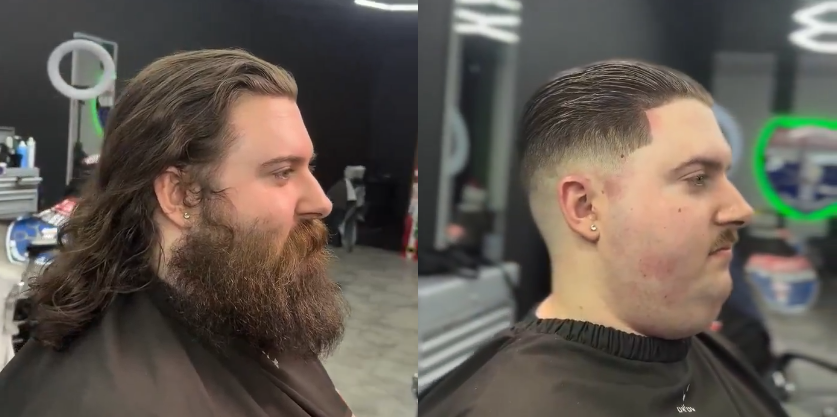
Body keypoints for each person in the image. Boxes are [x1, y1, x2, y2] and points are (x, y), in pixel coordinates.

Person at [418, 60, 789, 416]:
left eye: (724, 175)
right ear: (586, 207)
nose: (741, 209)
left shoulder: (717, 351)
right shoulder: (503, 407)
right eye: (698, 178)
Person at [0, 49, 353, 417]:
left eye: (308, 168)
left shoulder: (249, 297)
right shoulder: (104, 403)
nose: (322, 202)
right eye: (281, 172)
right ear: (181, 193)